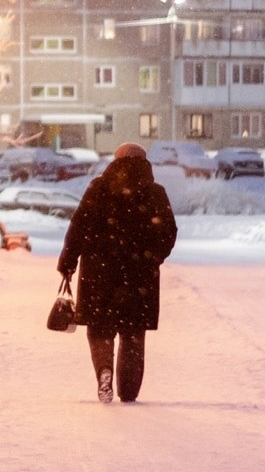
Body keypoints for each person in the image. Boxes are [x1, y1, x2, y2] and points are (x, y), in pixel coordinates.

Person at [56, 142, 177, 403]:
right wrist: (152, 258)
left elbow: (79, 225)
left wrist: (68, 260)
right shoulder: (155, 192)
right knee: (133, 333)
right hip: (139, 276)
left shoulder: (98, 189)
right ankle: (129, 392)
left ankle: (104, 370)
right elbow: (169, 233)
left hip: (99, 273)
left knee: (100, 329)